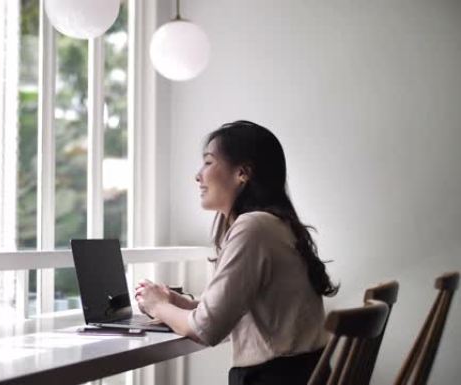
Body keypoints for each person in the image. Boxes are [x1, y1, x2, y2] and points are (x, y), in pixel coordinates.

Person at [134, 120, 338, 385]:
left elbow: (206, 329)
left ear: (242, 173)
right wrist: (179, 303)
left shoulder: (253, 227)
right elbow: (228, 313)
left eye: (208, 162)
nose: (198, 175)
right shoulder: (276, 224)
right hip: (303, 374)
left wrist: (157, 306)